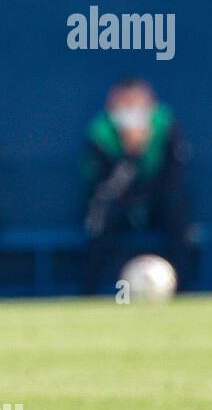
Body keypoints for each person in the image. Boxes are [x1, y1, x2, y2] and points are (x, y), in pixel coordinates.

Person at [81, 77, 192, 293]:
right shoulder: (100, 132)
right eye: (126, 103)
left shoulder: (165, 124)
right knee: (101, 217)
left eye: (138, 102)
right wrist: (131, 154)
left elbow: (173, 174)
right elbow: (106, 186)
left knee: (175, 208)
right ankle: (91, 292)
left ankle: (184, 291)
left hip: (156, 198)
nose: (132, 110)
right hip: (118, 201)